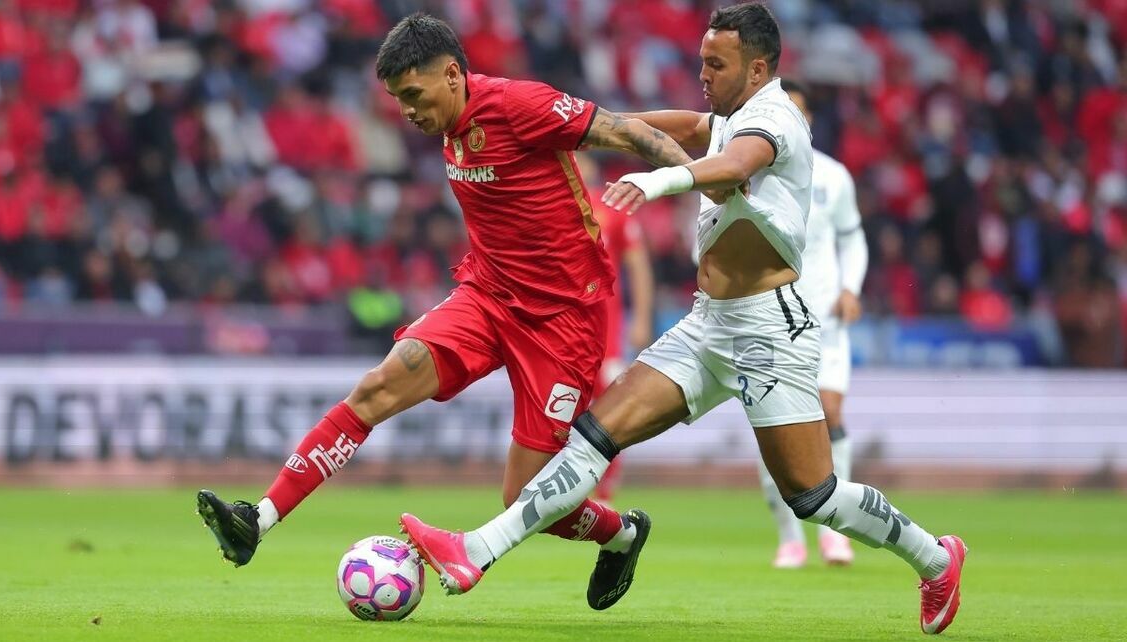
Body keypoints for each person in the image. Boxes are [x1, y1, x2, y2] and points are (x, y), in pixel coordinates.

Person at [400, 4, 967, 634]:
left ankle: (936, 558)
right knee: (593, 435)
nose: (702, 73)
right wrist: (595, 127)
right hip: (709, 325)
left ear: (757, 68)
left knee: (813, 496)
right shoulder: (732, 114)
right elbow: (697, 127)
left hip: (769, 332)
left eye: (715, 64)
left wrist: (661, 179)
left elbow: (736, 165)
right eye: (700, 59)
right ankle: (474, 552)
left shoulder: (775, 118)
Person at [195, 13, 697, 610]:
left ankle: (624, 533)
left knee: (527, 499)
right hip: (486, 297)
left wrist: (702, 178)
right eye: (397, 98)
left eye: (413, 94)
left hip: (562, 323)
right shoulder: (448, 120)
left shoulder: (519, 105)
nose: (406, 110)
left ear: (453, 75)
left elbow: (625, 131)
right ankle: (258, 518)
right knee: (380, 384)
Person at [756, 79, 869, 569]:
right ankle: (789, 536)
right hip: (771, 315)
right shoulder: (755, 172)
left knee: (831, 413)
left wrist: (851, 289)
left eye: (800, 113)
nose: (794, 121)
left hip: (824, 315)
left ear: (811, 121)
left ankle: (835, 533)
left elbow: (854, 239)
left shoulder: (835, 177)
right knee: (775, 427)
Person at [577, 155, 657, 504]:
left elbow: (638, 266)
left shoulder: (612, 209)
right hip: (564, 331)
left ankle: (604, 492)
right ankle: (569, 490)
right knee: (568, 412)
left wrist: (641, 319)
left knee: (610, 412)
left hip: (606, 334)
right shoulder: (550, 205)